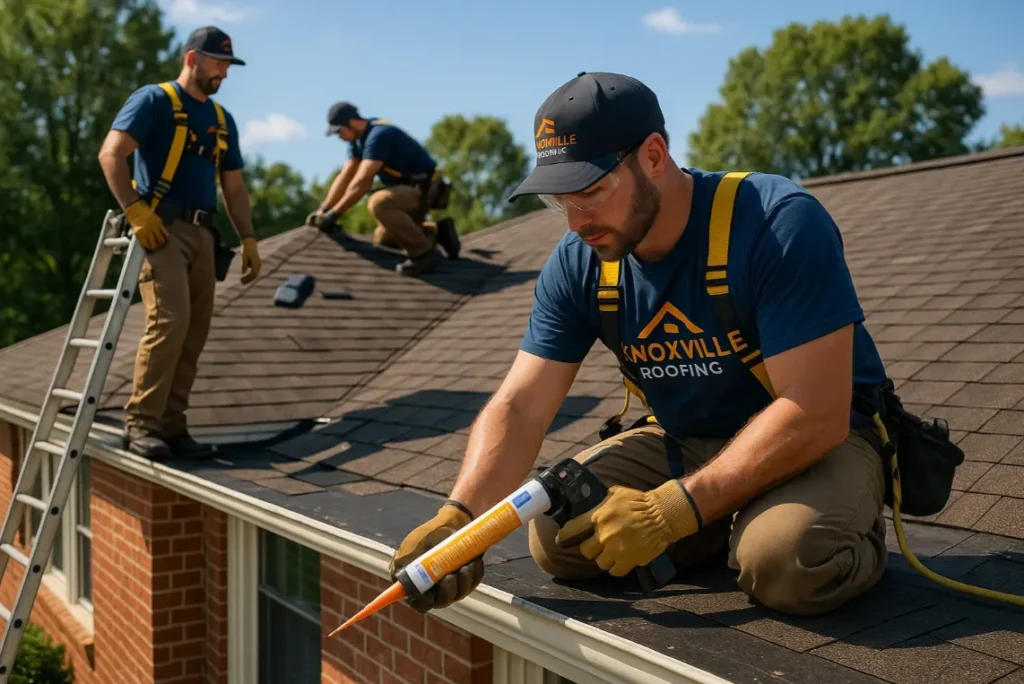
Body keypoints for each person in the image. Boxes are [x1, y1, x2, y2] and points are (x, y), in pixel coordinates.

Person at [387, 71, 894, 618]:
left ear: (654, 155)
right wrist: (460, 519)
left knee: (786, 562)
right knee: (560, 536)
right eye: (561, 201)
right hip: (687, 437)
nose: (578, 222)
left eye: (592, 191)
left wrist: (670, 511)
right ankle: (727, 519)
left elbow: (815, 411)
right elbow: (522, 405)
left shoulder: (776, 223)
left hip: (817, 438)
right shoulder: (580, 260)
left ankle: (817, 528)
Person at [97, 26, 262, 460]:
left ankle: (172, 425)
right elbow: (111, 154)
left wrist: (247, 237)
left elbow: (234, 186)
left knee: (195, 329)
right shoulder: (153, 100)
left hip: (204, 235)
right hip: (161, 229)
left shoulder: (222, 120)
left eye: (227, 65)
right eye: (217, 63)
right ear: (192, 58)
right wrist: (135, 210)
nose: (223, 73)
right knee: (170, 321)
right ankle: (141, 425)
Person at [308, 102, 460, 277]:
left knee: (379, 203)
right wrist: (324, 209)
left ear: (352, 122)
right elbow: (346, 176)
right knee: (384, 240)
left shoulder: (379, 135)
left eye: (339, 131)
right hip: (407, 191)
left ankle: (423, 253)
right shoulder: (358, 141)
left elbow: (362, 181)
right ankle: (436, 232)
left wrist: (334, 215)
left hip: (426, 189)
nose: (339, 137)